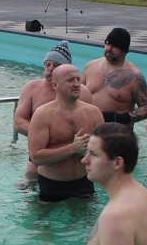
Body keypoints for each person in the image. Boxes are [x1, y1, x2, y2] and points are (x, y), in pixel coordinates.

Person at [13, 40, 94, 179]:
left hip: (76, 159)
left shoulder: (83, 92)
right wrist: (46, 137)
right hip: (41, 151)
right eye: (47, 64)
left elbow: (91, 125)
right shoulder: (32, 88)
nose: (50, 68)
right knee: (29, 184)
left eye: (55, 65)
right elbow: (19, 122)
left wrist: (78, 145)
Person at [28, 64, 104, 201]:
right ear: (55, 85)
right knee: (43, 222)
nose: (76, 84)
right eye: (70, 80)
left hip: (84, 182)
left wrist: (89, 152)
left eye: (78, 79)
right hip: (51, 185)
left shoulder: (93, 113)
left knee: (90, 222)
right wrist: (72, 148)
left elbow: (105, 150)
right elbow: (36, 157)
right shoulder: (43, 115)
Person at [80, 27, 147, 127]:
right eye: (107, 43)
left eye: (115, 46)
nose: (109, 49)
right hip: (89, 130)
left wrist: (121, 118)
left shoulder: (134, 77)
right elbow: (75, 95)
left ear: (124, 50)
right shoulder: (90, 67)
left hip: (118, 135)